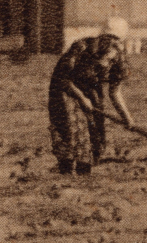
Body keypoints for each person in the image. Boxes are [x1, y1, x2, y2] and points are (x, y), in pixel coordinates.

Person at [47, 17, 133, 175]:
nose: (112, 45)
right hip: (64, 89)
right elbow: (62, 78)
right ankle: (65, 169)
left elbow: (114, 92)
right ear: (102, 38)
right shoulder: (81, 48)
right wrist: (81, 98)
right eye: (108, 40)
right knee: (70, 128)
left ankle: (83, 171)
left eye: (116, 41)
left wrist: (127, 118)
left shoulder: (119, 58)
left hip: (90, 90)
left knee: (95, 128)